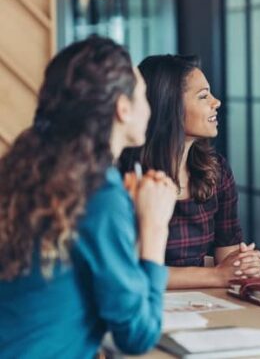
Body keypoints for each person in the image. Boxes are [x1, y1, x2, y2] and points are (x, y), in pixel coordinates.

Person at [0, 36, 177, 357]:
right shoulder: (100, 193)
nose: (149, 107)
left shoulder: (24, 172)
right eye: (143, 96)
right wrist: (154, 227)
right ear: (123, 108)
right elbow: (137, 335)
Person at [120, 55, 260, 289]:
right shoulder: (126, 176)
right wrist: (217, 275)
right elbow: (126, 270)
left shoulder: (216, 169)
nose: (216, 102)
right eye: (203, 96)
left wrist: (243, 264)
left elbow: (226, 255)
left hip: (205, 305)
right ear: (170, 106)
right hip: (144, 305)